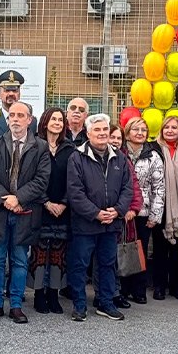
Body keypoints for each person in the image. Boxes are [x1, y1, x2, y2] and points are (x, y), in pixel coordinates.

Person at [0, 101, 50, 323]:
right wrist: (6, 200)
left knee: (20, 260)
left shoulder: (40, 146)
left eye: (21, 115)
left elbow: (42, 180)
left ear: (30, 120)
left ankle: (17, 306)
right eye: (12, 115)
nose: (16, 119)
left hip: (25, 211)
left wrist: (18, 198)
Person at [66, 113, 133, 322]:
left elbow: (127, 189)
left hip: (111, 223)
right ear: (88, 133)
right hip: (85, 223)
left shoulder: (120, 157)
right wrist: (95, 213)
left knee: (107, 264)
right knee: (79, 264)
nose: (102, 133)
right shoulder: (77, 157)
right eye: (97, 130)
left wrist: (117, 211)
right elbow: (75, 192)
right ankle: (79, 305)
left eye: (105, 130)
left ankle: (106, 303)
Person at [27, 107, 74, 314]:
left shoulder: (70, 149)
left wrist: (63, 203)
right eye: (53, 119)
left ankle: (53, 295)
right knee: (38, 254)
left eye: (61, 120)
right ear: (45, 122)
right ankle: (38, 295)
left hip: (63, 210)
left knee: (58, 254)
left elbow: (75, 180)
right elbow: (30, 179)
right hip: (40, 208)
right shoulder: (34, 145)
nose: (57, 122)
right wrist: (46, 202)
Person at [123, 117, 164, 306]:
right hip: (121, 212)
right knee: (121, 250)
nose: (140, 133)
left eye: (143, 130)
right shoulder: (119, 152)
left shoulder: (153, 156)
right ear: (127, 132)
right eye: (135, 129)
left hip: (143, 212)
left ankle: (138, 289)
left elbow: (159, 188)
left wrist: (155, 215)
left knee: (139, 251)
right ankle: (122, 288)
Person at [151, 115, 178, 302]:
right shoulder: (153, 149)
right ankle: (159, 286)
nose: (170, 131)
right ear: (161, 129)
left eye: (174, 127)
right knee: (159, 248)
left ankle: (177, 286)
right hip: (160, 205)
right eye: (167, 127)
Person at [108, 123, 143, 310]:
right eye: (111, 137)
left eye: (118, 138)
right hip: (102, 217)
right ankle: (105, 293)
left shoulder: (124, 160)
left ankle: (116, 292)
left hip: (121, 218)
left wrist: (132, 209)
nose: (114, 141)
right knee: (104, 259)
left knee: (117, 259)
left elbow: (133, 187)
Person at [0, 70, 36, 140]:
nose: (11, 94)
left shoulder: (32, 122)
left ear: (19, 95)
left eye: (15, 91)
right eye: (7, 90)